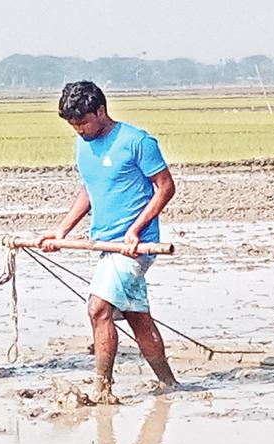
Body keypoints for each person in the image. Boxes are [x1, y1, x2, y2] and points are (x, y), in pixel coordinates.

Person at [40, 81, 179, 403]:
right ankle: (170, 385)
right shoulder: (83, 144)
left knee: (98, 309)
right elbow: (89, 188)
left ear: (101, 111)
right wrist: (62, 230)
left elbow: (165, 187)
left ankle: (102, 390)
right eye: (73, 125)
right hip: (106, 245)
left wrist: (136, 229)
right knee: (137, 318)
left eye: (83, 123)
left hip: (134, 246)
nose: (79, 131)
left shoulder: (136, 141)